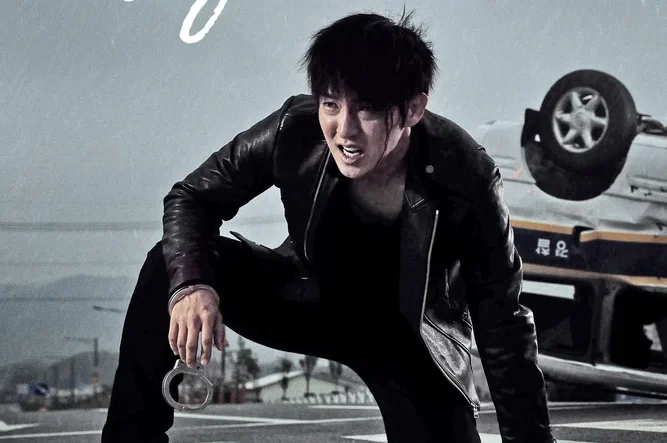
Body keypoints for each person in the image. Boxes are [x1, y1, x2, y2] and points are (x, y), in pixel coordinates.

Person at [101, 10, 556, 443]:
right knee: (170, 267)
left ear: (414, 109)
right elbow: (191, 198)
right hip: (308, 298)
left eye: (367, 110)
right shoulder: (295, 130)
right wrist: (192, 286)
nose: (344, 129)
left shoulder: (467, 175)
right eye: (331, 104)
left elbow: (503, 323)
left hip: (405, 339)